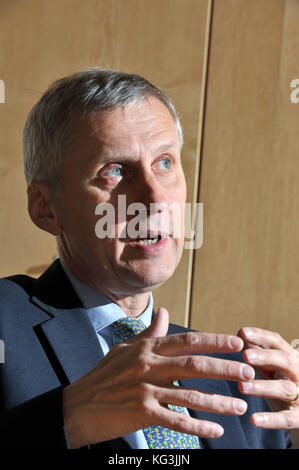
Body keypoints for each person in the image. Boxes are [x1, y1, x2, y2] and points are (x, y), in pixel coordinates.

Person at [0, 69, 298, 449]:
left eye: (165, 163)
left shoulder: (237, 378)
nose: (155, 200)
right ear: (46, 208)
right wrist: (70, 416)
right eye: (115, 172)